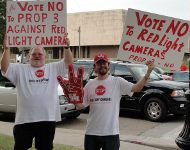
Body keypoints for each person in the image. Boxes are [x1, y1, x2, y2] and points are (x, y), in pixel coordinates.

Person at [0, 35, 73, 150]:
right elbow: (4, 68)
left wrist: (67, 48)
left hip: (47, 119)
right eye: (34, 54)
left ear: (45, 56)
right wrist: (6, 49)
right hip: (24, 119)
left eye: (40, 54)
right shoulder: (21, 69)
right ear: (29, 57)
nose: (37, 56)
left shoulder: (53, 68)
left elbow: (68, 63)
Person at [75, 53, 154, 150]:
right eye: (99, 63)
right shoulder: (89, 84)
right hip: (92, 133)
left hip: (111, 133)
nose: (102, 65)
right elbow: (81, 105)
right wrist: (72, 100)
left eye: (104, 63)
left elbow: (137, 88)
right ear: (94, 67)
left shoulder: (117, 82)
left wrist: (148, 73)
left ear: (108, 65)